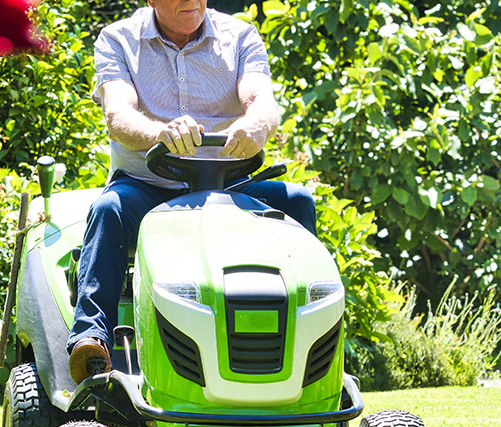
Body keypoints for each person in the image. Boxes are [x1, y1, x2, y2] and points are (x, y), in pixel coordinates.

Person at [68, 0, 318, 383]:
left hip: (232, 186)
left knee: (297, 202)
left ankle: (312, 340)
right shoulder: (118, 39)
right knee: (109, 210)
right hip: (149, 187)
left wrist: (255, 125)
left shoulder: (239, 36)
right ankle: (91, 339)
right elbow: (118, 117)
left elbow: (261, 102)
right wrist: (159, 134)